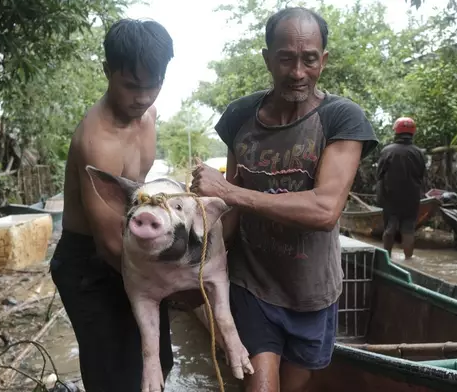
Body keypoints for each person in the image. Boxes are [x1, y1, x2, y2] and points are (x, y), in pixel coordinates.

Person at [191, 7, 378, 392]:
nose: (297, 72)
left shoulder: (342, 118)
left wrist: (228, 191)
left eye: (309, 60)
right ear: (267, 59)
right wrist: (194, 263)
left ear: (323, 60)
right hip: (252, 285)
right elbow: (230, 217)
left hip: (313, 293)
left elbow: (325, 209)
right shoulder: (239, 117)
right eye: (286, 59)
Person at [49, 19, 176, 392]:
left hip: (134, 249)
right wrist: (170, 283)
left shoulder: (148, 117)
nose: (142, 97)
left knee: (157, 363)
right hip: (90, 263)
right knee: (115, 380)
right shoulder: (98, 140)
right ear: (107, 71)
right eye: (131, 86)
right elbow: (107, 246)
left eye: (153, 85)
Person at [376, 117, 426, 259]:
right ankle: (409, 262)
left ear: (396, 132)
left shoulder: (387, 151)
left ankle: (387, 259)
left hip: (391, 197)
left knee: (390, 227)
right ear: (412, 133)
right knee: (408, 230)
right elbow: (422, 175)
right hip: (412, 197)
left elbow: (379, 175)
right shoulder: (418, 153)